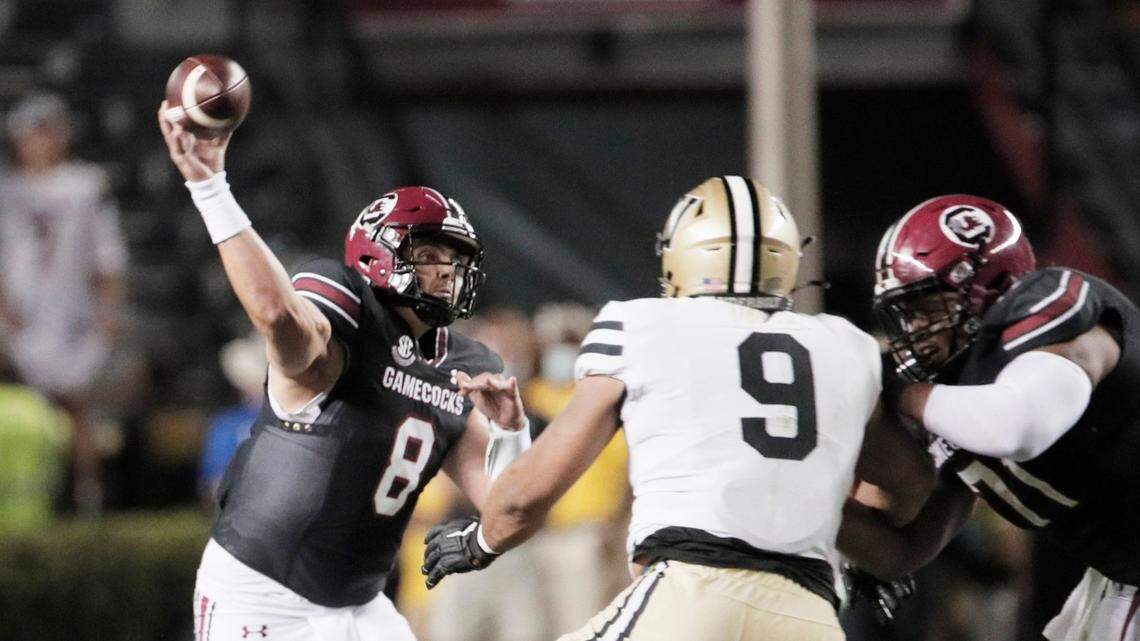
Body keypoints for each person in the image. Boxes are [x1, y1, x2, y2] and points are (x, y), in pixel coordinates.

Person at [422, 176, 932, 641]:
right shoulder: (846, 346)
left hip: (690, 596)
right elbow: (909, 488)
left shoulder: (641, 325)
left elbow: (520, 503)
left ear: (683, 255)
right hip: (809, 614)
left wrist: (479, 541)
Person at [156, 102, 530, 641]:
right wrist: (211, 188)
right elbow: (277, 315)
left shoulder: (465, 367)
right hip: (263, 595)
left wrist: (511, 434)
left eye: (455, 259)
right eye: (428, 252)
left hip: (361, 605)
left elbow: (507, 507)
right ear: (380, 251)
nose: (446, 271)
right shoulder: (345, 312)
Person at [838, 194, 1140, 641]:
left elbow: (1018, 425)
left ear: (987, 287)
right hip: (1117, 575)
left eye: (927, 308)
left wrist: (898, 391)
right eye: (905, 315)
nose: (913, 330)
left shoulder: (1057, 316)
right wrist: (811, 505)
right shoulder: (960, 400)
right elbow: (906, 549)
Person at [0, 92, 127, 513]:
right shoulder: (7, 188)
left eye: (44, 133)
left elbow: (108, 256)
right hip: (18, 316)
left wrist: (109, 311)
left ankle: (85, 499)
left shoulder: (86, 185)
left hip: (71, 315)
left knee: (76, 409)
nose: (36, 143)